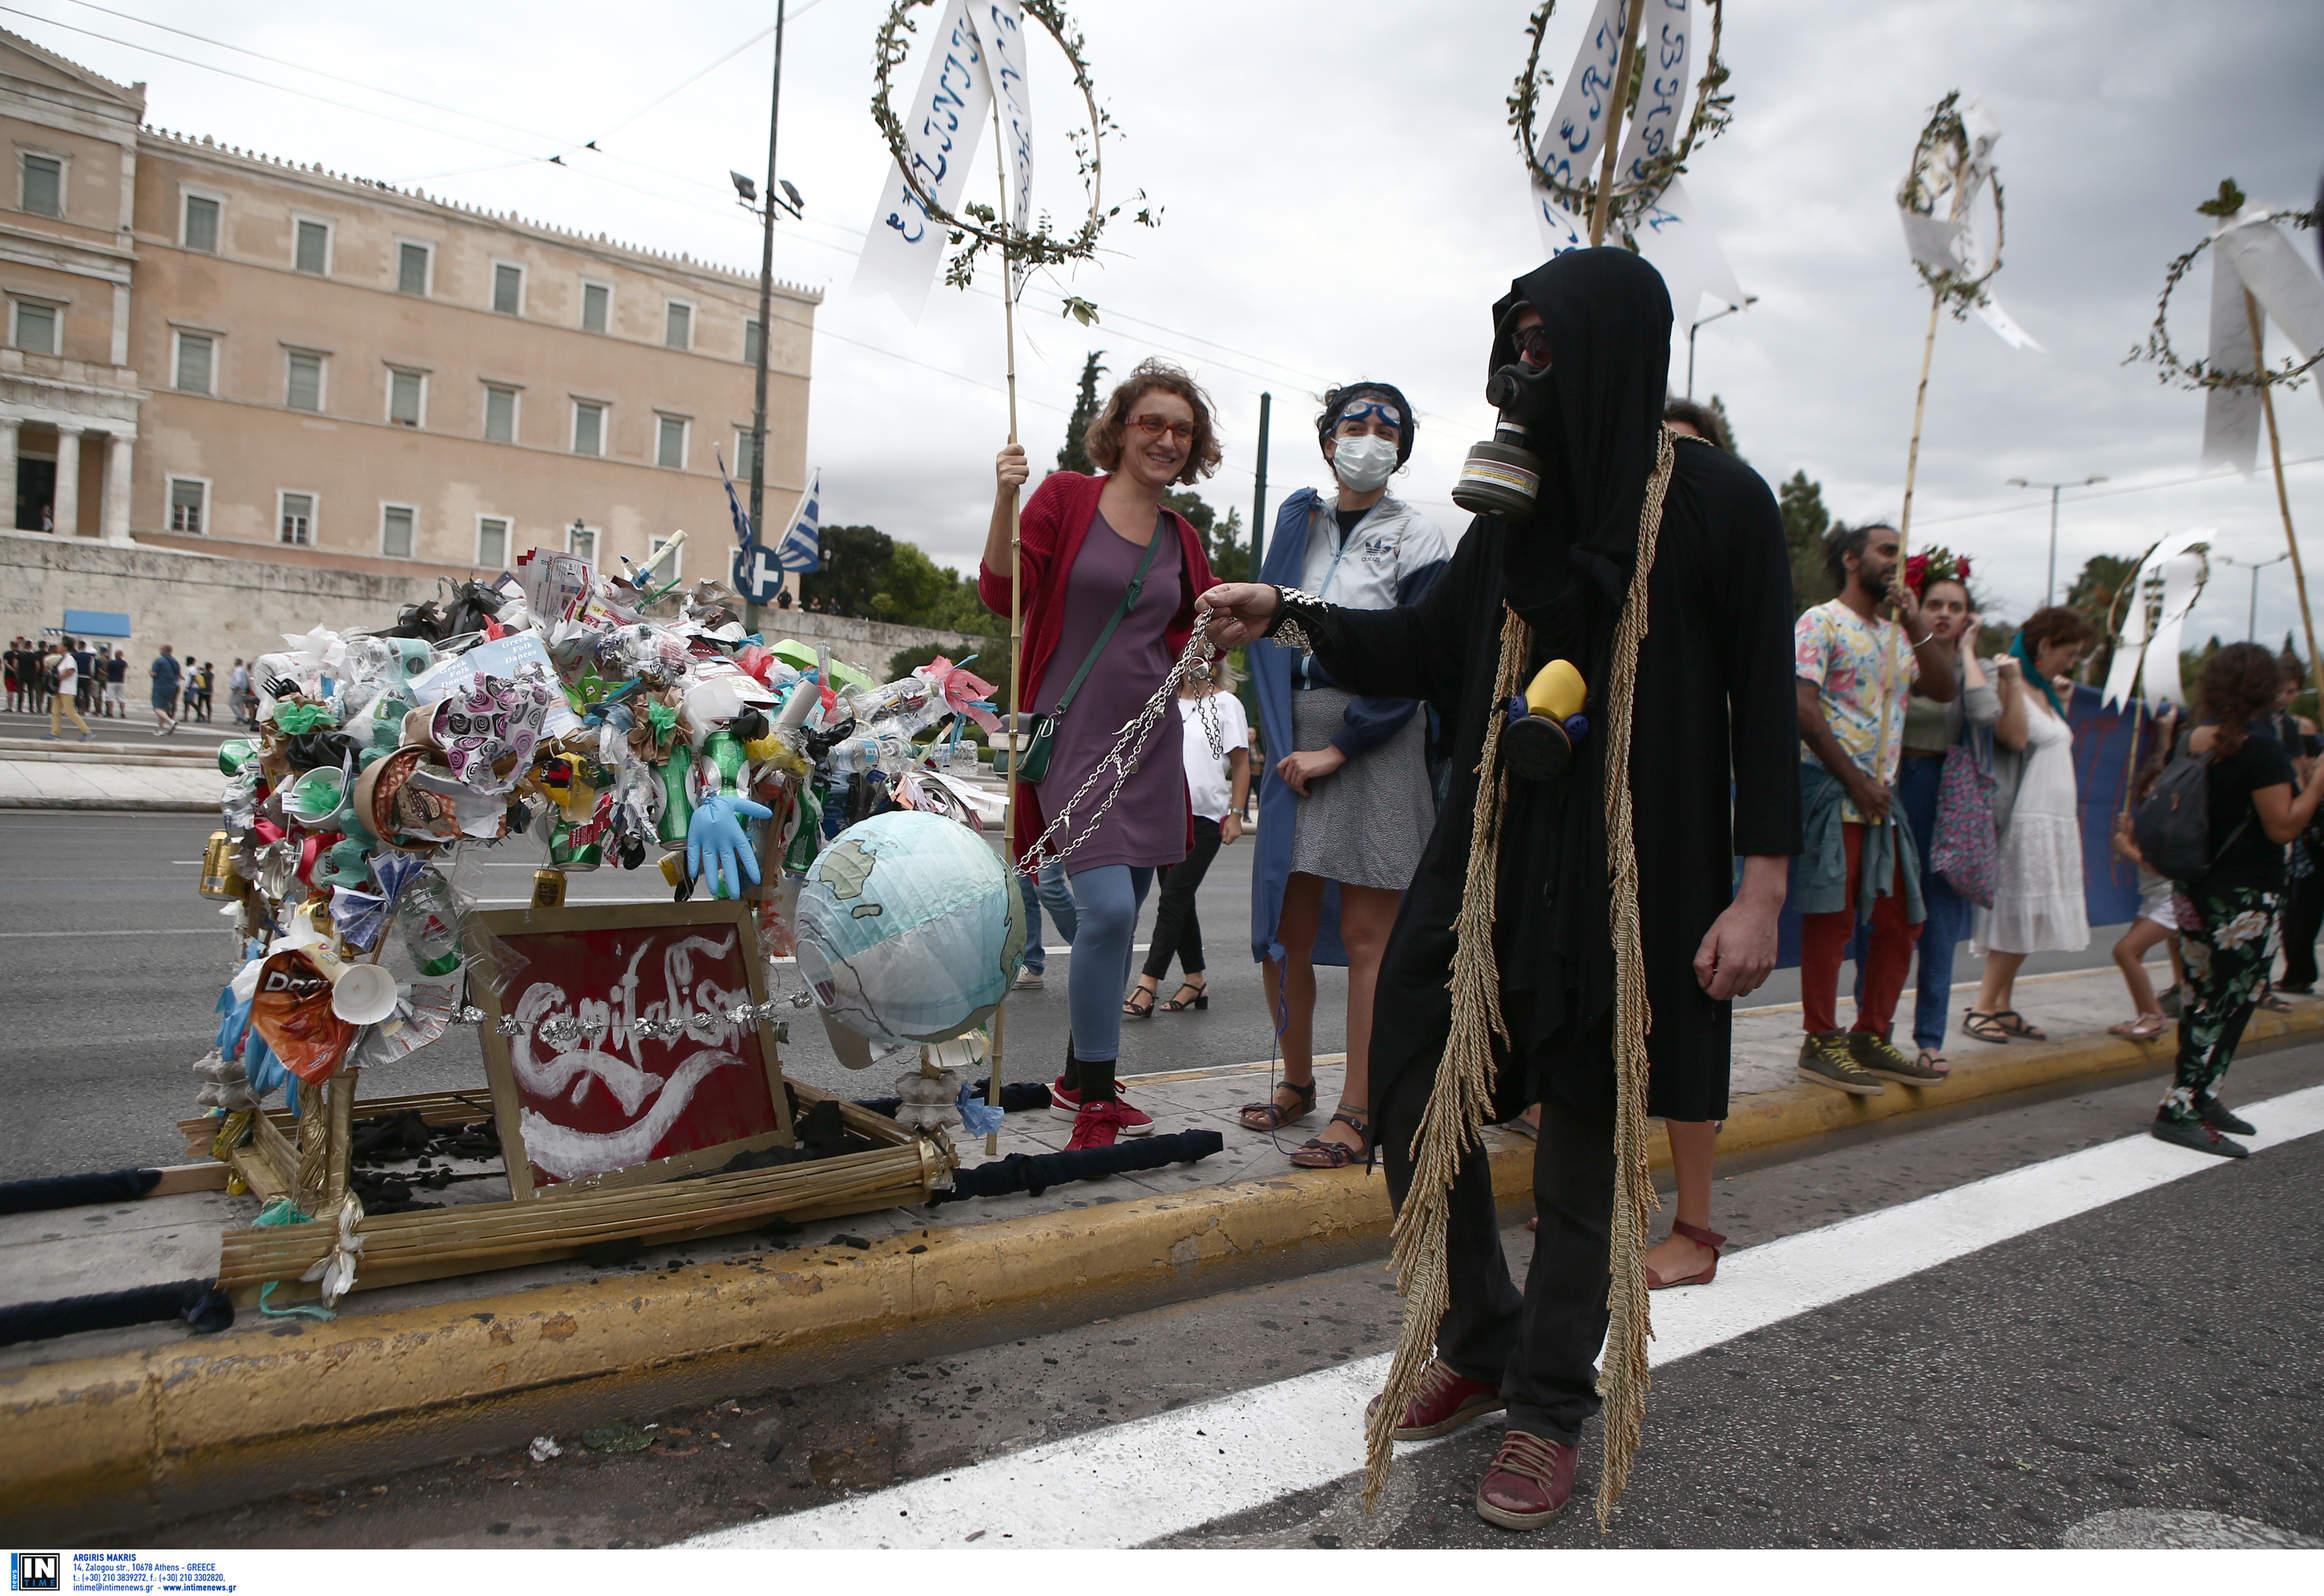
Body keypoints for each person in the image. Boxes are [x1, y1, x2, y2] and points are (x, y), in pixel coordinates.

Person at [1200, 248, 1799, 1530]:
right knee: (1410, 1082)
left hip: (1632, 880)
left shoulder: (1718, 502)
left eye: (1545, 342)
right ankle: (1477, 1329)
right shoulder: (1509, 508)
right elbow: (1426, 645)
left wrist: (1758, 894)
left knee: (1584, 1144)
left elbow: (1762, 704)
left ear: (1610, 349)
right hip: (1484, 860)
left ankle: (1544, 1406)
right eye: (1512, 340)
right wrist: (1286, 610)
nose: (1522, 366)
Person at [981, 357, 1221, 1151]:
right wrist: (1005, 495)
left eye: (1181, 430)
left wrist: (1213, 644)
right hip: (1072, 735)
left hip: (1150, 744)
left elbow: (1195, 627)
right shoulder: (1065, 496)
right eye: (1151, 422)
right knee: (1108, 910)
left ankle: (1078, 1074)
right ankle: (1093, 1102)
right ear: (1120, 428)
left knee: (1122, 920)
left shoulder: (1183, 537)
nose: (1166, 439)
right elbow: (1001, 589)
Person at [1242, 382, 1450, 1168]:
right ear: (1328, 440)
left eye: (1386, 427)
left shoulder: (1420, 538)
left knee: (1369, 938)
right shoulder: (1301, 526)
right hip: (1294, 738)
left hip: (1377, 741)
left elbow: (1418, 653)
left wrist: (1344, 746)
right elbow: (1279, 630)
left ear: (1402, 447)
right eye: (1353, 424)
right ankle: (1294, 1082)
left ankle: (1358, 1110)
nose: (1368, 437)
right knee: (1282, 933)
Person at [1794, 522, 1959, 1094]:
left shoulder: (1896, 634)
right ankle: (1820, 1038)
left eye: (1901, 553)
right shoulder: (1820, 622)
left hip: (1881, 800)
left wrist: (1914, 617)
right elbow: (1804, 710)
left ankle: (1871, 1032)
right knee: (1833, 918)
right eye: (1885, 550)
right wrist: (1856, 780)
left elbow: (1943, 686)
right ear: (1849, 558)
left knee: (1900, 919)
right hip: (1836, 791)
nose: (1895, 560)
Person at [2153, 642, 2324, 1156]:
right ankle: (2178, 1105)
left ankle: (2204, 1095)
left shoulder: (2191, 739)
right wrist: (2316, 784)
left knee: (2208, 993)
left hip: (2194, 886)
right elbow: (2282, 826)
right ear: (2265, 689)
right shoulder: (2261, 748)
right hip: (2246, 895)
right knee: (2224, 998)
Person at [1878, 558, 2000, 1074]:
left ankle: (1929, 1037)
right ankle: (1873, 1030)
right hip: (1896, 787)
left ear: (1968, 615)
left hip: (1951, 801)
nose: (1945, 614)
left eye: (1955, 606)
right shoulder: (1894, 654)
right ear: (1916, 606)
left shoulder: (1979, 668)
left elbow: (1985, 713)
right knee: (1883, 918)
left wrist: (1968, 651)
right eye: (1935, 604)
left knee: (1939, 925)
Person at [1963, 607, 2096, 1042]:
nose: (2071, 662)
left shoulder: (2045, 691)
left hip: (2052, 820)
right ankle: (1981, 1005)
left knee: (2033, 914)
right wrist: (2014, 681)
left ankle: (2001, 1004)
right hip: (2027, 817)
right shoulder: (2011, 678)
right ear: (2044, 646)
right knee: (2018, 909)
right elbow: (2015, 737)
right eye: (2068, 652)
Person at [1126, 657, 1251, 1017]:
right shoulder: (1164, 701)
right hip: (1164, 817)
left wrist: (1237, 815)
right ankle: (1195, 980)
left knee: (1174, 897)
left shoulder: (1228, 705)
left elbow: (1241, 764)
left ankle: (1148, 982)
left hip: (1206, 818)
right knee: (1178, 899)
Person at [2106, 707, 2187, 1038]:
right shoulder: (2152, 818)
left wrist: (2127, 849)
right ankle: (2150, 1012)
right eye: (2151, 788)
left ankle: (2152, 1016)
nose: (2156, 793)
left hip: (2172, 898)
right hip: (2154, 897)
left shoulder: (2178, 822)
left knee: (2125, 951)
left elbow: (2165, 866)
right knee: (2131, 953)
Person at [1013, 857, 1076, 991]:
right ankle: (1030, 965)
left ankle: (1097, 951)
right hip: (1020, 836)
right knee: (1021, 889)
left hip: (1049, 837)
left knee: (1048, 887)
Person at [44, 642, 91, 741]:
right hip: (60, 690)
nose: (58, 647)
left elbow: (71, 671)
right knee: (56, 711)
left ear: (66, 647)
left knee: (70, 712)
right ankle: (55, 733)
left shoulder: (69, 658)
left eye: (60, 645)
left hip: (67, 690)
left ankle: (87, 732)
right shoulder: (63, 658)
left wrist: (60, 677)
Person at [149, 644, 183, 736]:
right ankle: (160, 729)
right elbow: (178, 676)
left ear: (164, 650)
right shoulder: (175, 662)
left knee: (157, 708)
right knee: (163, 708)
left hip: (160, 686)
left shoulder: (159, 661)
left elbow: (154, 674)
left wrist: (150, 672)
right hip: (172, 687)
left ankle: (171, 722)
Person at [104, 645, 128, 718]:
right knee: (121, 697)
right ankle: (123, 713)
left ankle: (110, 713)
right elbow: (124, 671)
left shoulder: (111, 663)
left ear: (116, 655)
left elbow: (107, 670)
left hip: (112, 681)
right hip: (121, 681)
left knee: (110, 698)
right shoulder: (124, 663)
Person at [228, 658, 251, 726]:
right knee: (238, 704)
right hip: (243, 689)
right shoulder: (243, 670)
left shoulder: (238, 670)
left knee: (232, 704)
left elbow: (238, 680)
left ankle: (240, 718)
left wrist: (235, 687)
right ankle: (240, 717)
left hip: (239, 689)